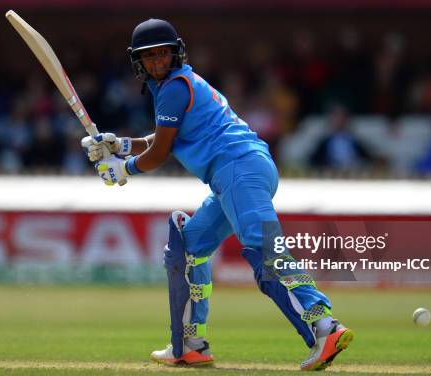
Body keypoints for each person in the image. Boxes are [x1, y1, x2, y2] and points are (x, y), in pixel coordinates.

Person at [82, 19, 354, 371]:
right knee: (189, 244)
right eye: (150, 57)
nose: (158, 62)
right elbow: (164, 138)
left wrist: (124, 169)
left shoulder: (174, 88)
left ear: (176, 52)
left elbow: (161, 152)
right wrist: (118, 144)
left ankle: (324, 326)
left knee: (266, 251)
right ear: (139, 62)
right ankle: (191, 344)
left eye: (163, 54)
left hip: (238, 169)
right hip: (240, 172)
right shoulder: (178, 86)